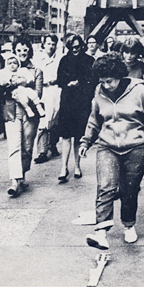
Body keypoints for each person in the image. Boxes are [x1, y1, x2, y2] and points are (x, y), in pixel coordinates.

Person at [79, 53, 144, 249]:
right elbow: (94, 119)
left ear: (119, 75)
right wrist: (85, 141)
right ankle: (100, 233)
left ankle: (128, 225)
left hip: (136, 148)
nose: (106, 85)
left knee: (129, 190)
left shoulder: (139, 90)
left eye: (109, 81)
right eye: (102, 82)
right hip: (107, 146)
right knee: (105, 186)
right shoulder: (99, 91)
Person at [0, 36, 43, 197]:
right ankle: (14, 181)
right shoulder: (5, 70)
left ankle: (22, 174)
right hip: (11, 111)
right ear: (14, 51)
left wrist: (22, 84)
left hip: (29, 112)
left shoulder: (36, 71)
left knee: (27, 148)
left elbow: (38, 93)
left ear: (29, 51)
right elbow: (1, 90)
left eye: (25, 50)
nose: (22, 53)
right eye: (19, 50)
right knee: (14, 147)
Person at [56, 35, 96, 183]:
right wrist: (68, 83)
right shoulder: (64, 60)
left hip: (82, 102)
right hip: (67, 101)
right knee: (66, 136)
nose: (75, 49)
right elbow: (59, 80)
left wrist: (80, 84)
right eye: (73, 47)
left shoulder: (89, 60)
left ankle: (77, 166)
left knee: (79, 136)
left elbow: (93, 81)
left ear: (81, 46)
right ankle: (63, 167)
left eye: (78, 47)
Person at [33, 35, 63, 164]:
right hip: (43, 90)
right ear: (43, 44)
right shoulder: (37, 59)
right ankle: (42, 151)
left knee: (55, 120)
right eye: (48, 43)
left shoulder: (60, 58)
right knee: (43, 122)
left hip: (56, 90)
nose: (51, 46)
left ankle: (53, 144)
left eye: (53, 44)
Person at [0, 54, 45, 119]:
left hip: (23, 89)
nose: (12, 65)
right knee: (22, 97)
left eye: (14, 63)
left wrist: (25, 80)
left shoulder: (22, 70)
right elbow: (0, 81)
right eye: (10, 63)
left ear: (18, 64)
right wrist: (8, 82)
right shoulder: (5, 73)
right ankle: (28, 109)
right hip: (15, 92)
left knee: (31, 92)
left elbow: (30, 78)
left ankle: (38, 106)